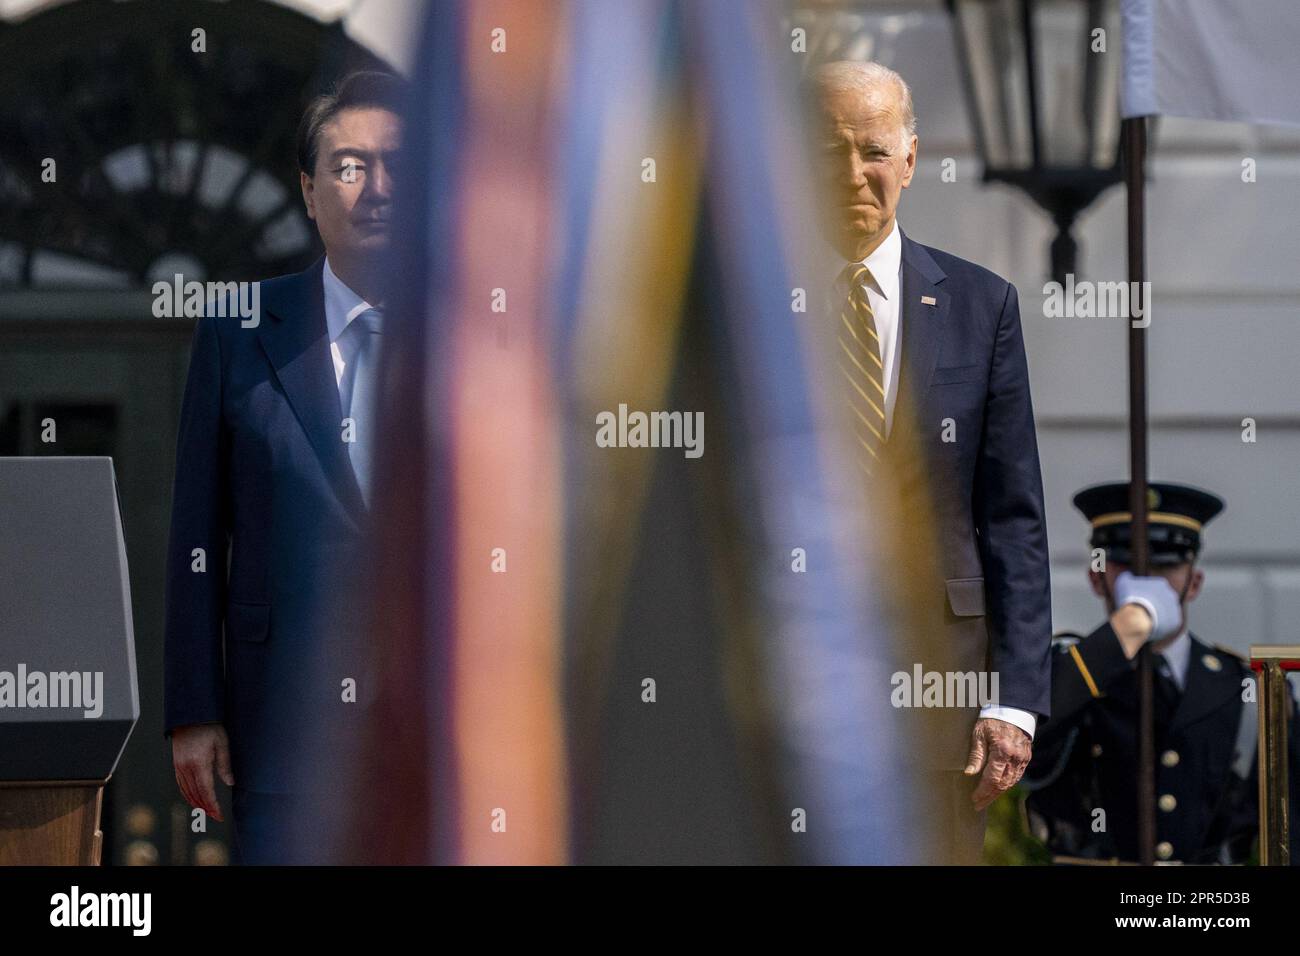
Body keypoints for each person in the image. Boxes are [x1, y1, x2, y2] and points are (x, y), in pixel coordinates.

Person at [807, 61, 1052, 862]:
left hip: (943, 706)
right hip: (786, 702)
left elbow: (1012, 519)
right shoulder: (746, 310)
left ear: (910, 160)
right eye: (826, 149)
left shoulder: (984, 307)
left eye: (873, 151)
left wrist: (1015, 701)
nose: (852, 174)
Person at [163, 70, 405, 863]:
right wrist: (194, 709)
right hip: (283, 733)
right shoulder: (237, 330)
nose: (375, 187)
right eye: (348, 165)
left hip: (435, 735)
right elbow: (196, 533)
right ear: (308, 190)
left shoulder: (479, 336)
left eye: (396, 163)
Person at [1024, 480, 1300, 863]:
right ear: (1095, 577)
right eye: (1127, 563)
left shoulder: (1248, 690)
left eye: (1166, 564)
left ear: (1195, 582)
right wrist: (1124, 632)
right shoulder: (1064, 675)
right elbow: (1026, 731)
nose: (1148, 581)